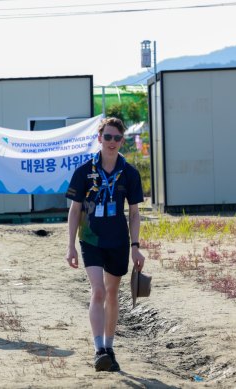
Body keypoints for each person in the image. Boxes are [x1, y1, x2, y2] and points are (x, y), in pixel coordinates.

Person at [64, 117, 145, 372]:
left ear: (122, 141)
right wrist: (70, 245)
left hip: (118, 241)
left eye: (116, 138)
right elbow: (74, 211)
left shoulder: (129, 173)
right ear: (99, 138)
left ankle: (109, 346)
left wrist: (135, 246)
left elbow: (133, 213)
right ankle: (98, 348)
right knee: (98, 291)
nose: (111, 142)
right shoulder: (84, 171)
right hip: (90, 238)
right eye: (107, 137)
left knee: (112, 293)